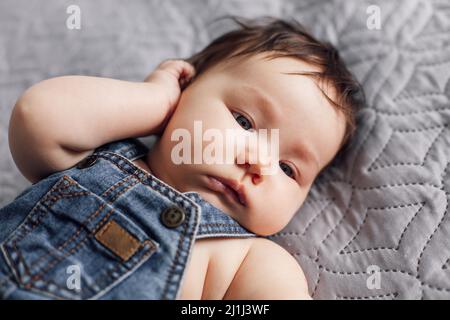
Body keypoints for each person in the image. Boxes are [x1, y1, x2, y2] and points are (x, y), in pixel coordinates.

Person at [0, 16, 363, 299]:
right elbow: (37, 116)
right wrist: (155, 102)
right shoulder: (95, 153)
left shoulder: (245, 260)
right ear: (183, 91)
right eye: (244, 121)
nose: (259, 162)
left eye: (288, 168)